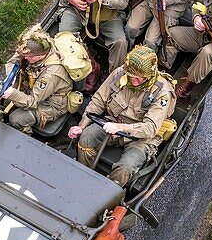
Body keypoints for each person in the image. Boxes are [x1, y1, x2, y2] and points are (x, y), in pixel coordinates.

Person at [68, 45, 175, 187]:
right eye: (131, 76)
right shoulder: (120, 74)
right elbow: (99, 100)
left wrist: (120, 127)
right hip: (113, 122)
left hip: (140, 138)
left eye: (139, 78)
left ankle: (108, 191)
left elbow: (150, 128)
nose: (133, 81)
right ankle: (82, 177)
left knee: (126, 166)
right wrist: (82, 126)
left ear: (149, 75)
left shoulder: (161, 92)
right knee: (86, 137)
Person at [0, 25, 74, 134]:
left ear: (42, 55)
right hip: (29, 88)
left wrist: (13, 94)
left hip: (48, 103)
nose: (25, 58)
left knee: (17, 119)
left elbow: (33, 101)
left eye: (29, 57)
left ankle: (23, 137)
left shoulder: (52, 73)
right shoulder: (29, 49)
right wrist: (11, 77)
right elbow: (13, 62)